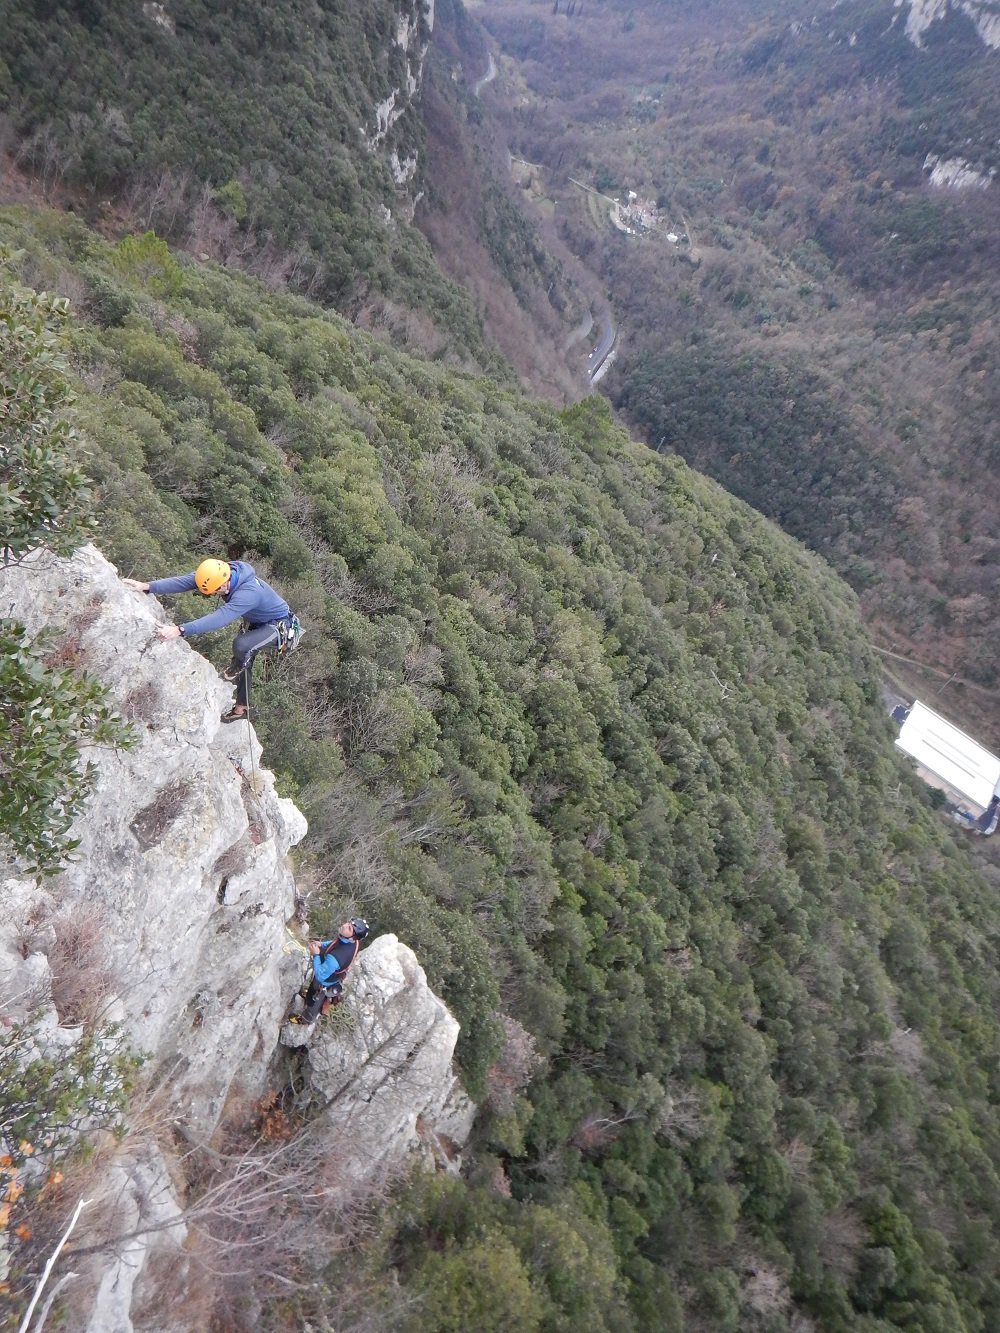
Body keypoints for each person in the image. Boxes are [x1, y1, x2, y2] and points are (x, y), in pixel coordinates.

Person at [124, 558, 292, 722]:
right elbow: (186, 581)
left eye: (215, 591)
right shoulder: (220, 574)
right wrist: (148, 587)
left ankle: (238, 674)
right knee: (244, 655)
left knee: (241, 646)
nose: (213, 594)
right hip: (258, 621)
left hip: (278, 626)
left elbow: (220, 618)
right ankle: (242, 707)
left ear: (224, 584)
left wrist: (180, 630)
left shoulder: (248, 594)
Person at [289, 919, 370, 1025]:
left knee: (315, 1000)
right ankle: (309, 997)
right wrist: (322, 945)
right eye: (348, 923)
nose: (345, 925)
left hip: (325, 981)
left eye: (349, 928)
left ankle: (305, 1020)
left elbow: (320, 975)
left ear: (352, 937)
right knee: (312, 991)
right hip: (332, 975)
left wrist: (316, 955)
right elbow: (336, 943)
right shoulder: (353, 942)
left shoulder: (336, 957)